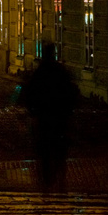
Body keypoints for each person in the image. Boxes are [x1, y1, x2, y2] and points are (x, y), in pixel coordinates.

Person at [21, 43, 80, 190]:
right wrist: (69, 111)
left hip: (44, 118)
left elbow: (29, 93)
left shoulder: (40, 72)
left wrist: (32, 111)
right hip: (59, 118)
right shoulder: (60, 71)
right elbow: (71, 92)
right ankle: (59, 177)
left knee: (44, 150)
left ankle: (47, 179)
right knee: (59, 150)